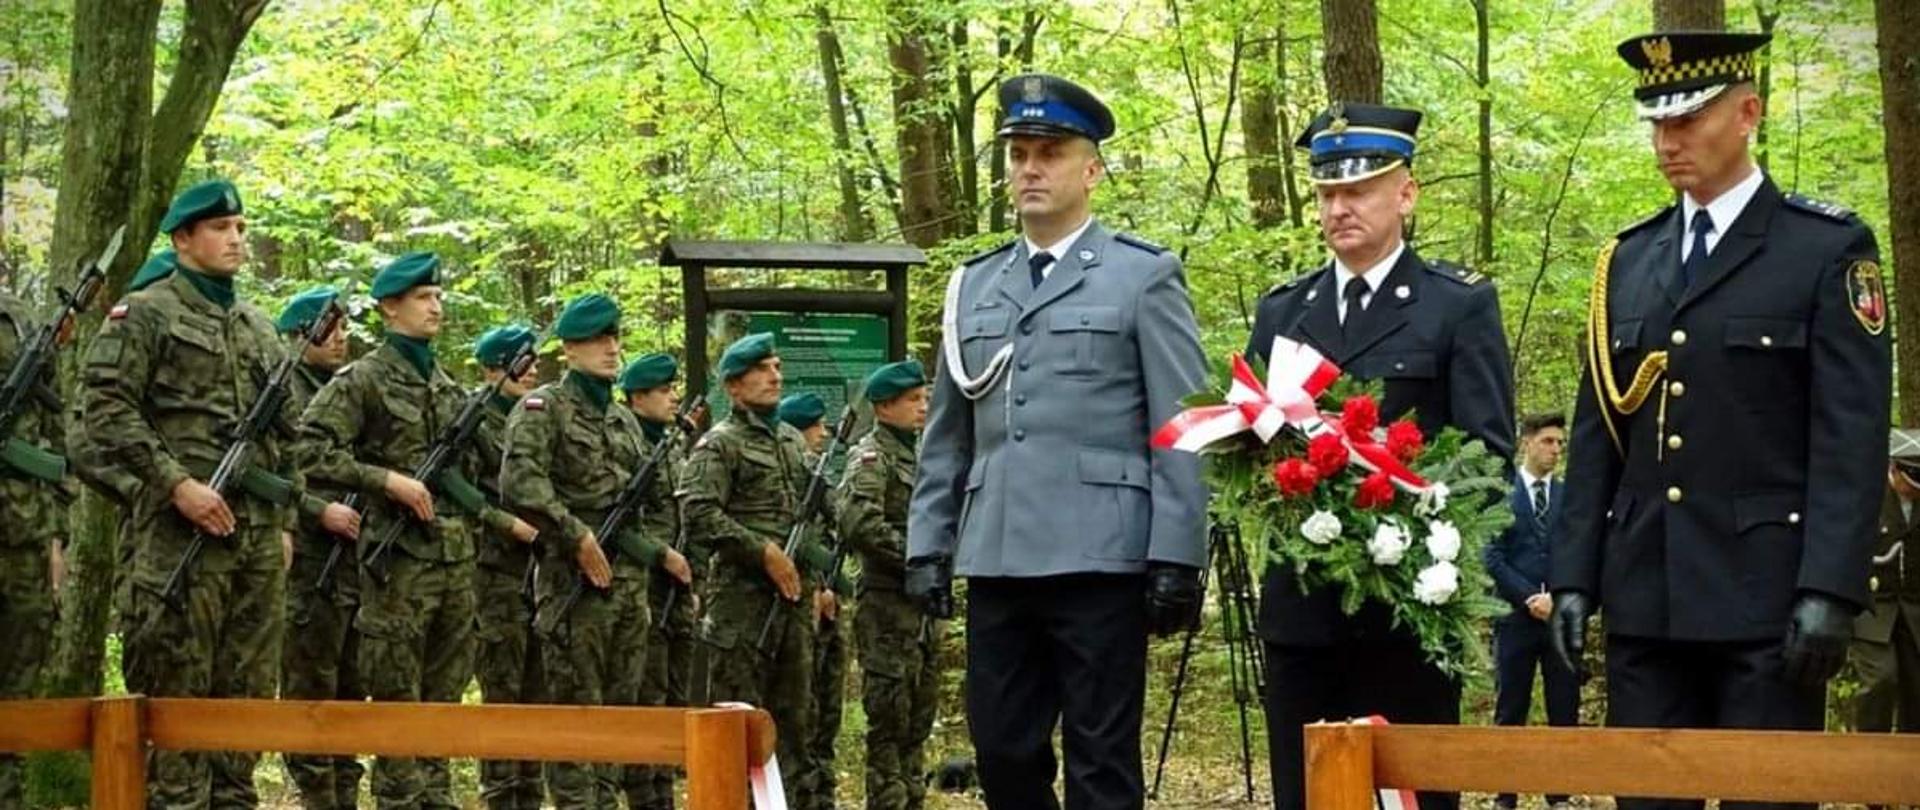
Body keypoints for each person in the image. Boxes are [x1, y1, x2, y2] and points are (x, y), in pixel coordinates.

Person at [1551, 31, 1890, 810]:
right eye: (1657, 124)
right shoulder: (1629, 261)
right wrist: (1572, 574)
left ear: (1747, 113)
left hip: (1766, 603)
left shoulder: (1824, 249)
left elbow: (1851, 434)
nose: (1668, 142)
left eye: (1688, 121)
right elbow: (1598, 432)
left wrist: (1831, 588)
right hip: (1644, 599)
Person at [906, 73, 1208, 809]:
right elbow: (949, 432)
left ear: (1091, 169)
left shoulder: (1142, 276)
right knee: (1003, 748)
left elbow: (1183, 423)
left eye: (1050, 152)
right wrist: (927, 543)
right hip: (999, 551)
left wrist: (1177, 553)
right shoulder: (973, 286)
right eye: (1019, 155)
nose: (1031, 168)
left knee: (1101, 759)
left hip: (1102, 556)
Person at [1243, 101, 1515, 810]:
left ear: (1406, 193)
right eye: (1328, 193)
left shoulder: (1456, 305)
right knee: (1306, 798)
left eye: (1359, 190)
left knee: (1410, 800)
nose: (1340, 208)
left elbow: (1486, 454)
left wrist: (1420, 536)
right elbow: (1250, 444)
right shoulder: (1283, 311)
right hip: (1302, 608)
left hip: (1407, 615)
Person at [84, 179, 351, 807]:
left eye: (241, 228)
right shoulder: (146, 312)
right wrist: (176, 484)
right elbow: (104, 408)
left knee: (244, 709)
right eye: (220, 228)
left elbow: (290, 437)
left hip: (255, 544)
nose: (235, 238)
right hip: (178, 543)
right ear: (182, 239)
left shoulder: (259, 328)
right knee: (178, 711)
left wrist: (285, 520)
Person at [298, 251, 485, 808]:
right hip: (396, 568)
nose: (436, 307)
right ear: (389, 308)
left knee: (443, 703)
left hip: (453, 565)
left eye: (438, 297)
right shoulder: (364, 380)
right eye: (424, 298)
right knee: (398, 705)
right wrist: (385, 481)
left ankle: (436, 800)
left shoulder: (450, 388)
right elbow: (309, 448)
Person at [677, 334, 832, 807]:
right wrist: (762, 551)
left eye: (777, 366)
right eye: (761, 369)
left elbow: (815, 516)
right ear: (734, 386)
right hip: (741, 612)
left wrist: (822, 578)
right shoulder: (718, 445)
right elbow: (699, 513)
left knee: (795, 723)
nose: (774, 376)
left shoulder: (789, 438)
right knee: (740, 728)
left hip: (792, 607)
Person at [278, 285, 372, 810]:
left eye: (343, 328)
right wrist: (318, 511)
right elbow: (273, 468)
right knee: (310, 681)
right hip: (309, 556)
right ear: (301, 334)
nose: (340, 338)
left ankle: (345, 794)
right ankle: (317, 795)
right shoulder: (283, 390)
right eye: (328, 329)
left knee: (350, 683)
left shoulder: (350, 388)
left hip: (355, 558)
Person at [840, 361, 936, 810]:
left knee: (919, 718)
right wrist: (914, 558)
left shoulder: (921, 454)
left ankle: (912, 799)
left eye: (924, 397)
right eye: (913, 399)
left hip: (923, 609)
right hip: (886, 607)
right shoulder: (871, 456)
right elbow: (859, 520)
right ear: (883, 407)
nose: (923, 406)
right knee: (890, 720)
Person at [0, 282, 76, 808]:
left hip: (23, 537)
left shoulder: (23, 321)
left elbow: (55, 436)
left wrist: (58, 533)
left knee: (17, 695)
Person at [469, 324, 547, 810]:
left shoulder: (535, 418)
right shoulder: (475, 420)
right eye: (520, 362)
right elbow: (457, 487)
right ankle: (500, 797)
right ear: (493, 369)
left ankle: (529, 795)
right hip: (495, 573)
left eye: (533, 361)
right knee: (503, 692)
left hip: (541, 574)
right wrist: (505, 523)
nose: (532, 370)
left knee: (537, 693)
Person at [1482, 412, 1577, 810]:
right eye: (1548, 441)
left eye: (1559, 443)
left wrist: (1557, 596)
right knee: (1510, 708)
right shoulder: (1501, 494)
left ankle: (1558, 795)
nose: (1555, 450)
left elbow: (1578, 550)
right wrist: (1527, 597)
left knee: (1564, 710)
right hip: (1514, 619)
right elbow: (1492, 554)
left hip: (1559, 620)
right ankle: (1506, 795)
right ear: (1527, 442)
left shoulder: (1570, 497)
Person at [622, 351, 699, 810]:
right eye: (664, 391)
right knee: (645, 700)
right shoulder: (629, 443)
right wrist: (661, 556)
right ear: (637, 397)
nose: (674, 398)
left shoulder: (670, 445)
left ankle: (664, 797)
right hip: (642, 586)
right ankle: (644, 799)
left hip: (676, 590)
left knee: (672, 701)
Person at [1856, 430, 1920, 735]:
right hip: (1874, 608)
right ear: (1894, 469)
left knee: (1916, 685)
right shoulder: (1868, 496)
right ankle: (1870, 754)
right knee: (1881, 679)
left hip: (1914, 608)